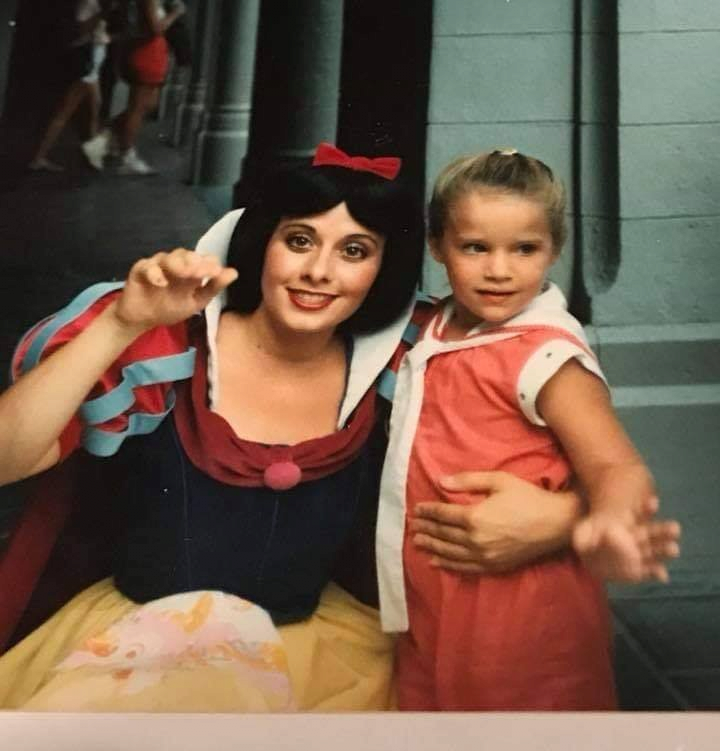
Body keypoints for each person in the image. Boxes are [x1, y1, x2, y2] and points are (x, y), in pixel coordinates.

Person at [0, 145, 678, 712]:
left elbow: (581, 457)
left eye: (355, 250)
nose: (320, 272)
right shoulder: (170, 343)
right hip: (147, 645)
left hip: (317, 653)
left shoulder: (409, 356)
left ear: (385, 267)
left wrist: (565, 520)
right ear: (261, 242)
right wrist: (122, 323)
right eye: (299, 241)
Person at [376, 148, 680, 712]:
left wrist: (609, 522)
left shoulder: (546, 354)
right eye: (475, 247)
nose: (500, 270)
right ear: (437, 245)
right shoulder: (434, 325)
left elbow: (615, 464)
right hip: (433, 598)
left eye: (524, 249)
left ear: (554, 249)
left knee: (529, 740)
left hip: (524, 608)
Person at [83, 0, 186, 174]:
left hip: (147, 51)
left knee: (149, 104)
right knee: (137, 108)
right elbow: (156, 28)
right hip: (147, 52)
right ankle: (126, 155)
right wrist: (175, 13)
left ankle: (105, 136)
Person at [29, 0, 117, 173]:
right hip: (87, 67)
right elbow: (83, 30)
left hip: (92, 67)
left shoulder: (95, 4)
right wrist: (103, 15)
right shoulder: (89, 4)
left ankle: (92, 154)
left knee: (94, 107)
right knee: (64, 112)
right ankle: (38, 157)